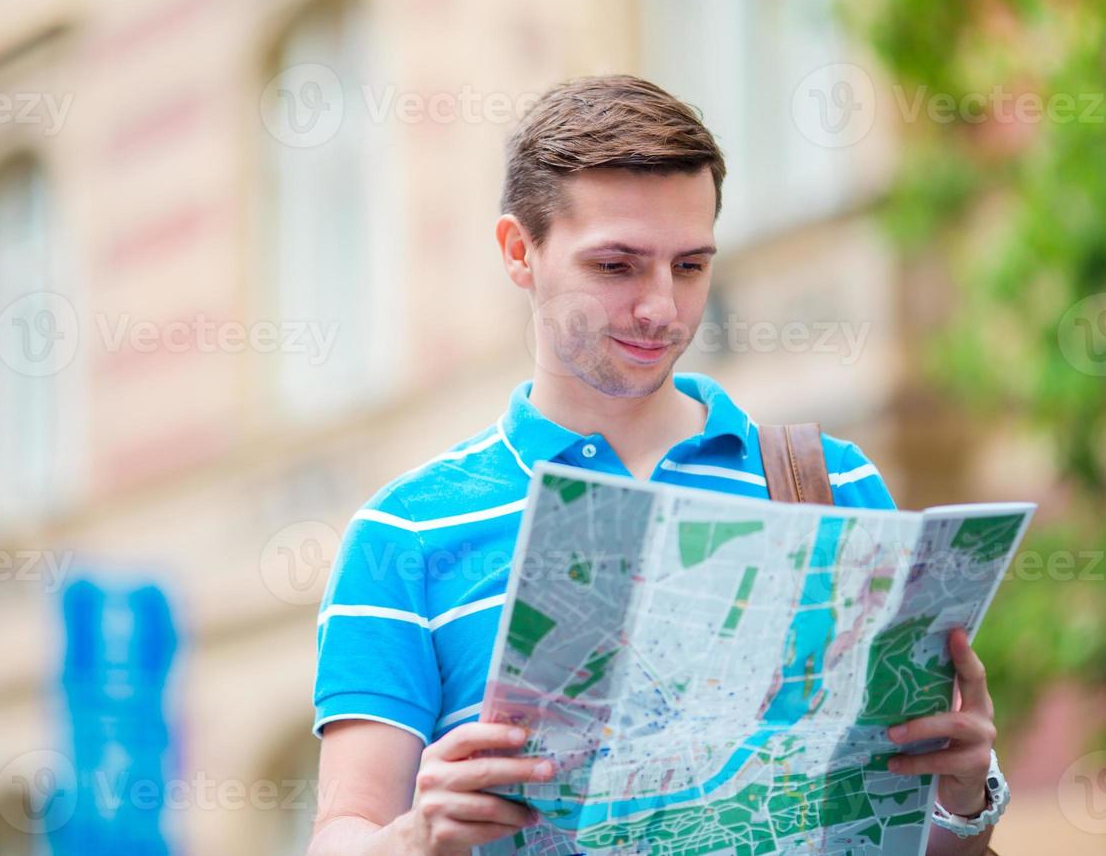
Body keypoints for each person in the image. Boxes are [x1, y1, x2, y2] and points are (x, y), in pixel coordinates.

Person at [307, 76, 1006, 855]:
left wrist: (962, 799)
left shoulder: (834, 487)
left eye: (690, 266)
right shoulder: (405, 532)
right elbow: (344, 833)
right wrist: (415, 835)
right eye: (617, 267)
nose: (661, 309)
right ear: (518, 252)